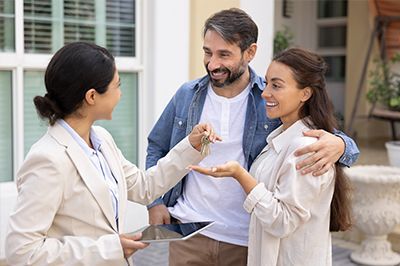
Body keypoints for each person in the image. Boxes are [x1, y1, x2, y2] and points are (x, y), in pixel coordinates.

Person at [146, 8, 359, 266]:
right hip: (189, 234)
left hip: (247, 240)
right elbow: (157, 146)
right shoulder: (187, 95)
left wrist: (341, 144)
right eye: (207, 52)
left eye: (224, 54)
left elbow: (317, 133)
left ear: (250, 52)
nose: (212, 64)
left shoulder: (268, 99)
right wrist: (155, 202)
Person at [5, 42, 219, 266]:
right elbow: (22, 251)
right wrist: (110, 248)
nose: (121, 93)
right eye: (117, 85)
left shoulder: (102, 139)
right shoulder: (48, 159)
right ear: (92, 96)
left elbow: (145, 187)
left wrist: (191, 146)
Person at [190, 47, 352, 265]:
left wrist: (239, 174)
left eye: (276, 85)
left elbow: (282, 221)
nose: (265, 93)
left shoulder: (306, 149)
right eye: (266, 83)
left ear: (305, 93)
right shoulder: (279, 136)